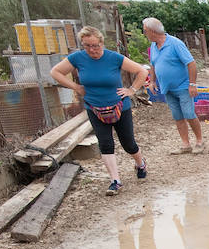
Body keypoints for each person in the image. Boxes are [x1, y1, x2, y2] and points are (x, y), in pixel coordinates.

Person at [50, 27, 149, 196]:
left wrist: (131, 90)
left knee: (128, 143)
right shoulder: (77, 58)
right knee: (105, 143)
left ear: (101, 43)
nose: (92, 49)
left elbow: (142, 71)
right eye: (87, 46)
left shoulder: (114, 57)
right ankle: (115, 181)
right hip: (94, 107)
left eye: (95, 45)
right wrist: (76, 87)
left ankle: (140, 164)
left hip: (119, 106)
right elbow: (55, 72)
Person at [142, 17, 204, 155]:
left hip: (182, 86)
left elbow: (191, 63)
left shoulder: (175, 43)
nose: (144, 34)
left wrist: (192, 84)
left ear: (153, 31)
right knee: (177, 116)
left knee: (189, 114)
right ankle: (185, 144)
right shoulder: (154, 46)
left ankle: (200, 141)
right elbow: (153, 64)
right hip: (167, 88)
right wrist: (152, 81)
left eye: (145, 31)